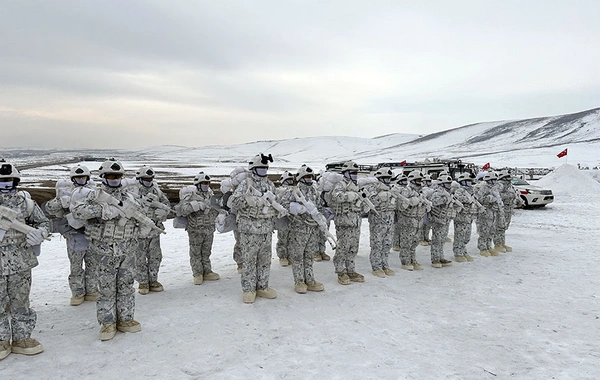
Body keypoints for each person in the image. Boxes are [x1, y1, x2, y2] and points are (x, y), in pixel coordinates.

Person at [71, 159, 143, 341]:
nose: (114, 179)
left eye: (118, 176)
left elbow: (140, 217)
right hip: (103, 251)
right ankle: (108, 322)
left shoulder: (129, 197)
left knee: (126, 285)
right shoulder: (93, 195)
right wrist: (104, 210)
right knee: (107, 288)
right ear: (103, 177)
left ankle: (126, 318)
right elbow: (78, 212)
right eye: (110, 176)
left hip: (127, 249)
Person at [0, 160, 49, 358]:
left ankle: (22, 338)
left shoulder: (27, 204)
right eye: (1, 181)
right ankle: (1, 340)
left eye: (9, 181)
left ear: (16, 182)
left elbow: (43, 222)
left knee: (21, 301)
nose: (5, 185)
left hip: (20, 261)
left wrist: (41, 233)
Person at [230, 154, 281, 303]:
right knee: (249, 260)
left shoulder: (270, 185)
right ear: (253, 168)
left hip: (266, 229)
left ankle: (262, 286)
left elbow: (276, 202)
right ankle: (249, 289)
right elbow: (235, 201)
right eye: (260, 168)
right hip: (249, 230)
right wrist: (249, 200)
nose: (263, 171)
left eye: (265, 168)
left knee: (265, 260)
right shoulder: (246, 184)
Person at [45, 165, 98, 305]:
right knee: (76, 266)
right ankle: (77, 293)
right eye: (78, 177)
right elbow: (49, 208)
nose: (81, 179)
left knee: (93, 265)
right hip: (75, 234)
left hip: (92, 234)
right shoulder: (65, 192)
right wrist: (60, 202)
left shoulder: (93, 192)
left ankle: (92, 291)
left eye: (83, 177)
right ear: (73, 179)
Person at [282, 165, 325, 293]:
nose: (309, 179)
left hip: (313, 229)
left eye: (310, 176)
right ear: (300, 178)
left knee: (309, 255)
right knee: (297, 256)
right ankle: (299, 281)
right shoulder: (294, 191)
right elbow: (283, 205)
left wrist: (321, 220)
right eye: (306, 176)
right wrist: (297, 208)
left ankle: (310, 280)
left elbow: (320, 207)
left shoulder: (315, 191)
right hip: (298, 229)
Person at [175, 172, 221, 285]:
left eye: (208, 183)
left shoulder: (211, 195)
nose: (206, 185)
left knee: (206, 252)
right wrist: (193, 206)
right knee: (195, 253)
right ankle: (197, 273)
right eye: (204, 183)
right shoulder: (190, 195)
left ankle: (207, 271)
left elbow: (216, 208)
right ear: (198, 184)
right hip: (195, 230)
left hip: (209, 229)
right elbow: (182, 210)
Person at [131, 166, 171, 294]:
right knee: (139, 258)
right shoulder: (134, 192)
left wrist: (163, 212)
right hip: (138, 231)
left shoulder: (157, 192)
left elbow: (167, 205)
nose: (148, 180)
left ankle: (153, 280)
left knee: (155, 256)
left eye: (150, 178)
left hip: (154, 231)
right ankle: (143, 282)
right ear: (140, 179)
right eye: (145, 178)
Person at [330, 161, 365, 285]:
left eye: (356, 172)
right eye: (352, 172)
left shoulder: (356, 185)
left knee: (353, 248)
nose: (355, 175)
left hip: (355, 221)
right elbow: (336, 196)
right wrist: (350, 195)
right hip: (344, 222)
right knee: (343, 248)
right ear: (346, 173)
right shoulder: (341, 184)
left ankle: (351, 270)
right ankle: (341, 272)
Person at [362, 168, 396, 278]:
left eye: (389, 178)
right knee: (377, 244)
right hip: (378, 221)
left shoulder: (391, 188)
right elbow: (368, 204)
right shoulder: (372, 188)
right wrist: (379, 196)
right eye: (385, 178)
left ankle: (385, 265)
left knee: (387, 244)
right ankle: (376, 267)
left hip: (389, 221)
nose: (387, 180)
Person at [395, 170, 427, 271]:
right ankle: (405, 261)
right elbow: (400, 206)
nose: (420, 181)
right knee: (406, 242)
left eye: (420, 180)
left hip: (417, 220)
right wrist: (411, 202)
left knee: (414, 241)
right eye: (418, 180)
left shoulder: (420, 192)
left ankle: (413, 259)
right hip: (407, 221)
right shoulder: (406, 190)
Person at [426, 175, 457, 268]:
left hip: (445, 218)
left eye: (449, 183)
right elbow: (434, 202)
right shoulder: (437, 192)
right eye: (447, 183)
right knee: (437, 239)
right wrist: (445, 199)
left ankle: (441, 257)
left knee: (442, 239)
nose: (449, 185)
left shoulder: (447, 192)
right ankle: (435, 259)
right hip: (438, 219)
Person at [452, 173, 480, 262]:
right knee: (459, 236)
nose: (470, 183)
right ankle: (458, 253)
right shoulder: (459, 190)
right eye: (468, 181)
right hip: (461, 216)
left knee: (466, 237)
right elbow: (458, 198)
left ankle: (463, 251)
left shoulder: (471, 191)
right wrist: (469, 199)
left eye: (470, 181)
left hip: (469, 217)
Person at [474, 172, 504, 257]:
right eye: (493, 180)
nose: (494, 181)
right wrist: (490, 199)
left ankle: (489, 246)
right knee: (484, 231)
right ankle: (483, 248)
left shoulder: (494, 188)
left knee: (491, 231)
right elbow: (480, 199)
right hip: (486, 213)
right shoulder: (483, 188)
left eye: (495, 180)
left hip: (493, 213)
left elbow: (498, 199)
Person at [493, 170, 520, 252]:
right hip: (501, 208)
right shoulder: (499, 185)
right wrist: (509, 195)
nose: (509, 178)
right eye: (507, 176)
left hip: (508, 209)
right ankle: (497, 244)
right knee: (499, 226)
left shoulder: (509, 185)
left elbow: (514, 194)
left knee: (504, 227)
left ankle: (502, 243)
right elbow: (496, 195)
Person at [275, 171, 294, 267]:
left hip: (293, 218)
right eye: (288, 181)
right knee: (282, 238)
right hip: (282, 218)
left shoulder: (295, 190)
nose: (290, 183)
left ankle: (290, 255)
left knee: (292, 238)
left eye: (291, 181)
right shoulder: (279, 191)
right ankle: (282, 256)